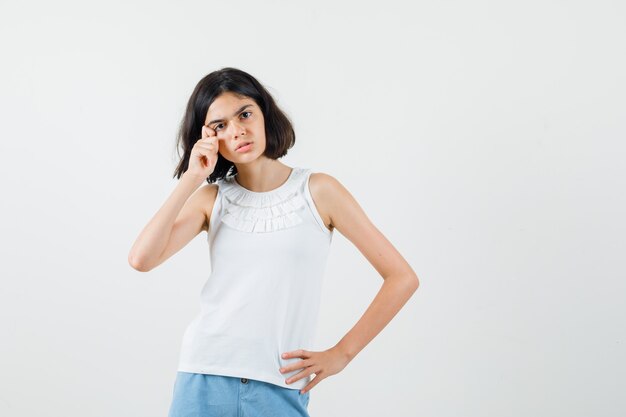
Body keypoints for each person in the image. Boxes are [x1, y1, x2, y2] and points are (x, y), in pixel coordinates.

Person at [128, 67, 420, 416]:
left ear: (265, 113)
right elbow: (141, 259)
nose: (237, 130)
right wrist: (192, 177)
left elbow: (402, 277)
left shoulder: (319, 191)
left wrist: (342, 354)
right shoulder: (211, 199)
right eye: (220, 126)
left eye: (245, 114)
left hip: (279, 383)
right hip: (204, 375)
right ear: (207, 137)